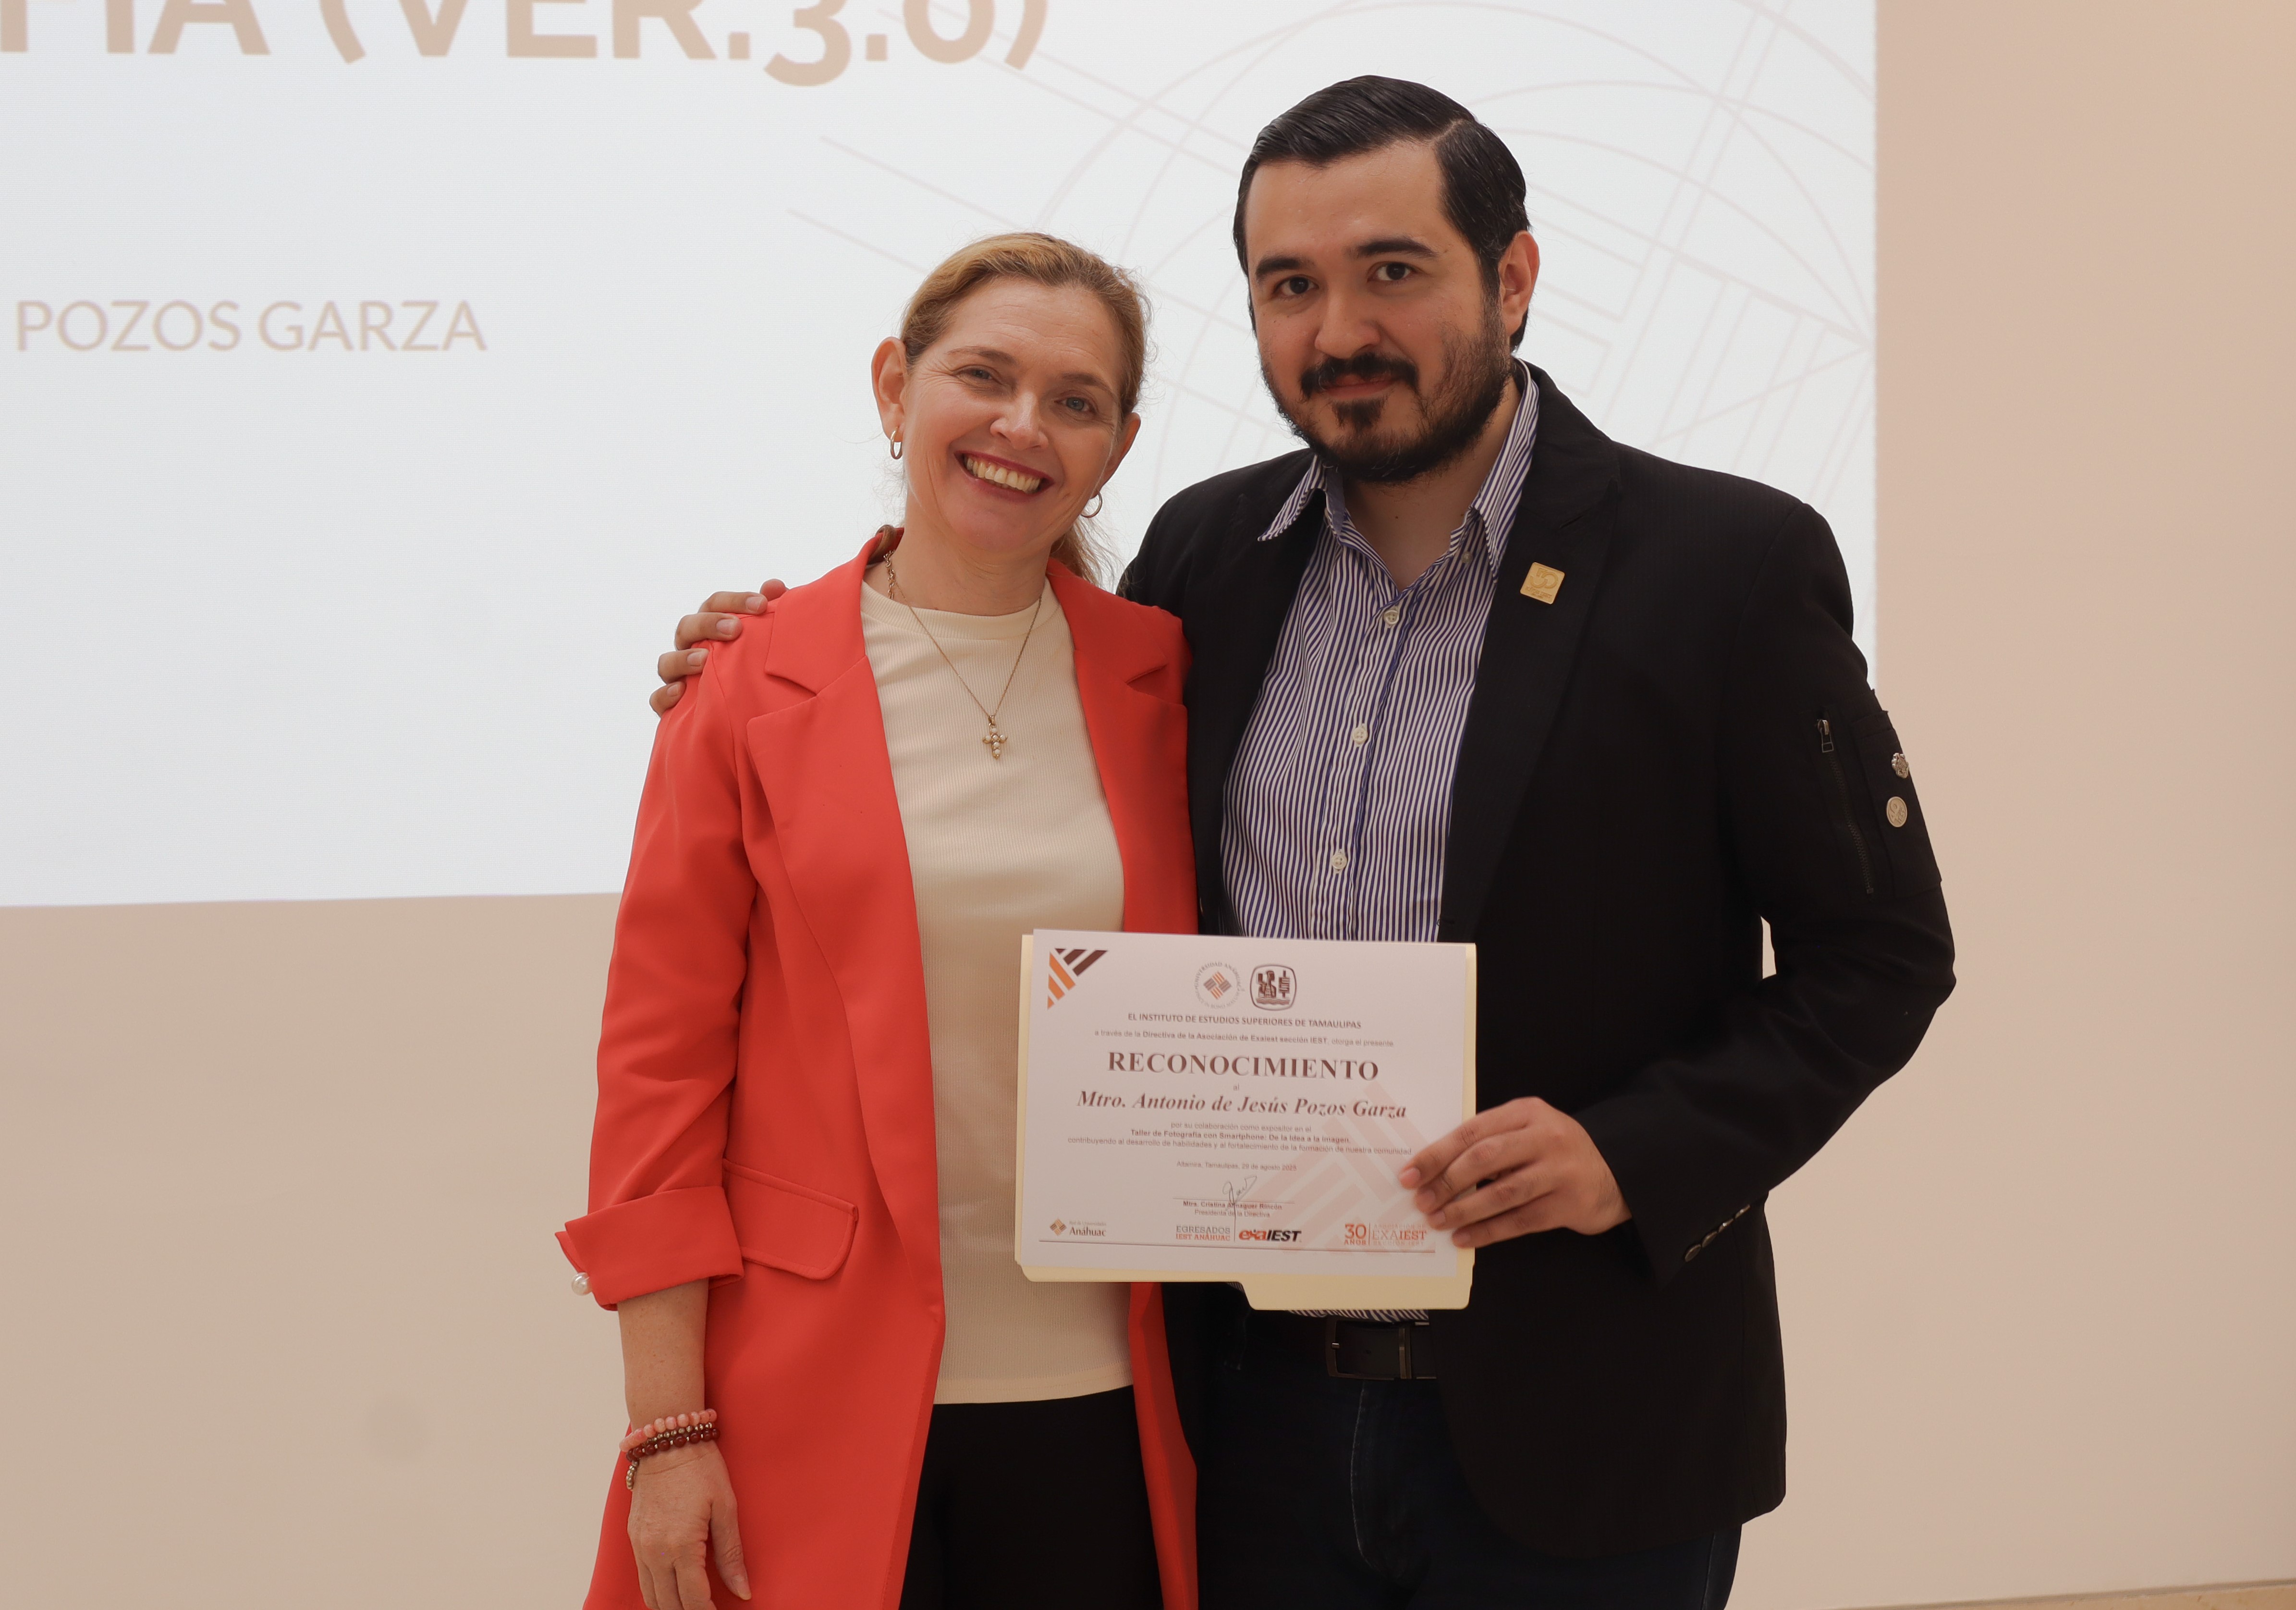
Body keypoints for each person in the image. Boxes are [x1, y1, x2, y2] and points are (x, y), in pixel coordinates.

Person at [649, 80, 1955, 1610]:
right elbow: (993, 652)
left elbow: (1879, 958)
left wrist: (1632, 1154)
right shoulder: (1210, 558)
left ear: (1512, 277)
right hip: (1245, 1414)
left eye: (1391, 270)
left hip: (1581, 1416)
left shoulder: (1724, 565)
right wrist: (774, 646)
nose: (1339, 327)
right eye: (1289, 286)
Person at [560, 233, 1201, 1610]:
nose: (1023, 426)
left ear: (1117, 443)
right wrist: (665, 1430)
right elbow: (660, 1077)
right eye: (985, 375)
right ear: (894, 387)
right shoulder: (748, 680)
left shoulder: (1163, 673)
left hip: (1113, 1397)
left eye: (1075, 401)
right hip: (807, 1388)